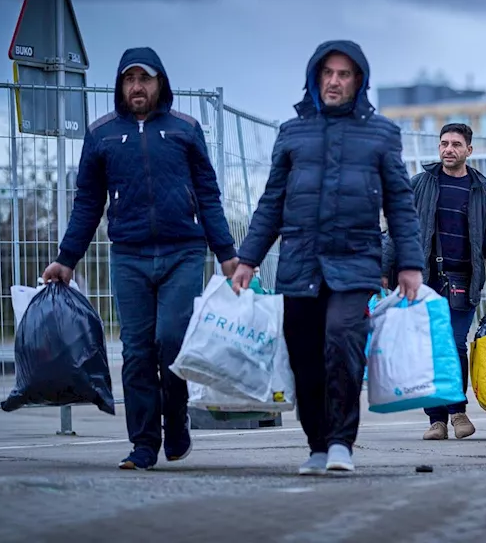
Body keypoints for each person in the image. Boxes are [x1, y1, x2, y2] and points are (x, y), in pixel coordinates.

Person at [42, 47, 239, 471]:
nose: (137, 87)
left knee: (171, 340)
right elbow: (87, 203)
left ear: (160, 83)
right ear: (120, 86)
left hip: (182, 252)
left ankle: (177, 420)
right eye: (129, 79)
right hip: (128, 256)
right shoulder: (102, 135)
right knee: (135, 352)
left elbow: (208, 194)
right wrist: (66, 258)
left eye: (144, 79)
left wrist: (226, 253)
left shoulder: (185, 129)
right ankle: (144, 445)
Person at [231, 40, 423, 475]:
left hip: (354, 262)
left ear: (359, 81)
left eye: (345, 74)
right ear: (316, 78)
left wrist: (409, 264)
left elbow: (400, 204)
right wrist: (248, 258)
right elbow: (271, 202)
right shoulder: (293, 133)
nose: (335, 81)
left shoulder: (381, 134)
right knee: (304, 357)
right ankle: (317, 444)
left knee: (342, 343)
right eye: (328, 73)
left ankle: (341, 444)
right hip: (300, 262)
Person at [400, 122, 486, 441]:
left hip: (464, 281)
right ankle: (436, 420)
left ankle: (458, 411)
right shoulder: (419, 185)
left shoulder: (483, 192)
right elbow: (400, 232)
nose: (448, 149)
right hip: (423, 280)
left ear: (469, 151)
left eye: (455, 144)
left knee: (453, 343)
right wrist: (387, 271)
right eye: (444, 143)